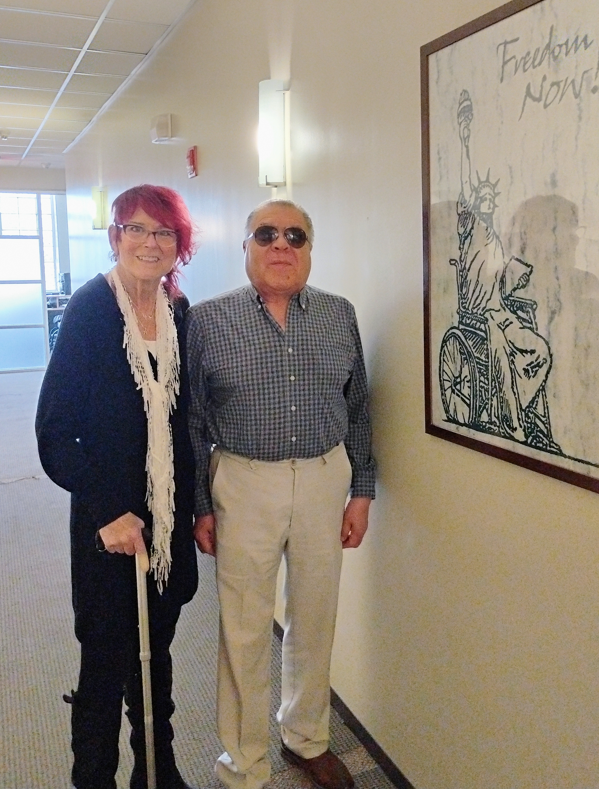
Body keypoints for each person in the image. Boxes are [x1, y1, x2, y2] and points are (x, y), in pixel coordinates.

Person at [187, 199, 375, 789]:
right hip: (243, 482)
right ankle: (243, 762)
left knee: (314, 617)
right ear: (244, 247)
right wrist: (200, 504)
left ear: (310, 250)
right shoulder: (209, 321)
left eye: (296, 235)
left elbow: (361, 406)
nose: (281, 244)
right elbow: (191, 419)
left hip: (325, 477)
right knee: (245, 629)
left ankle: (306, 737)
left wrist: (361, 490)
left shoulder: (339, 315)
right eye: (265, 233)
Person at [35, 185, 199, 789]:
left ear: (178, 246)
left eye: (164, 233)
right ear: (115, 236)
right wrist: (109, 512)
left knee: (156, 654)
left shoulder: (180, 312)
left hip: (168, 518)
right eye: (137, 229)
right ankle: (94, 776)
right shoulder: (90, 310)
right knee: (105, 659)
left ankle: (158, 768)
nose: (150, 243)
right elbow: (55, 434)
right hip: (110, 525)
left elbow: (186, 424)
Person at [455, 89, 552, 443]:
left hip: (501, 312)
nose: (489, 202)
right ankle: (512, 426)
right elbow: (465, 184)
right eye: (484, 198)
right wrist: (465, 137)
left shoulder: (496, 238)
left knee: (540, 350)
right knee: (500, 352)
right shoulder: (471, 228)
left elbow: (504, 282)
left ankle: (522, 411)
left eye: (492, 199)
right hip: (478, 315)